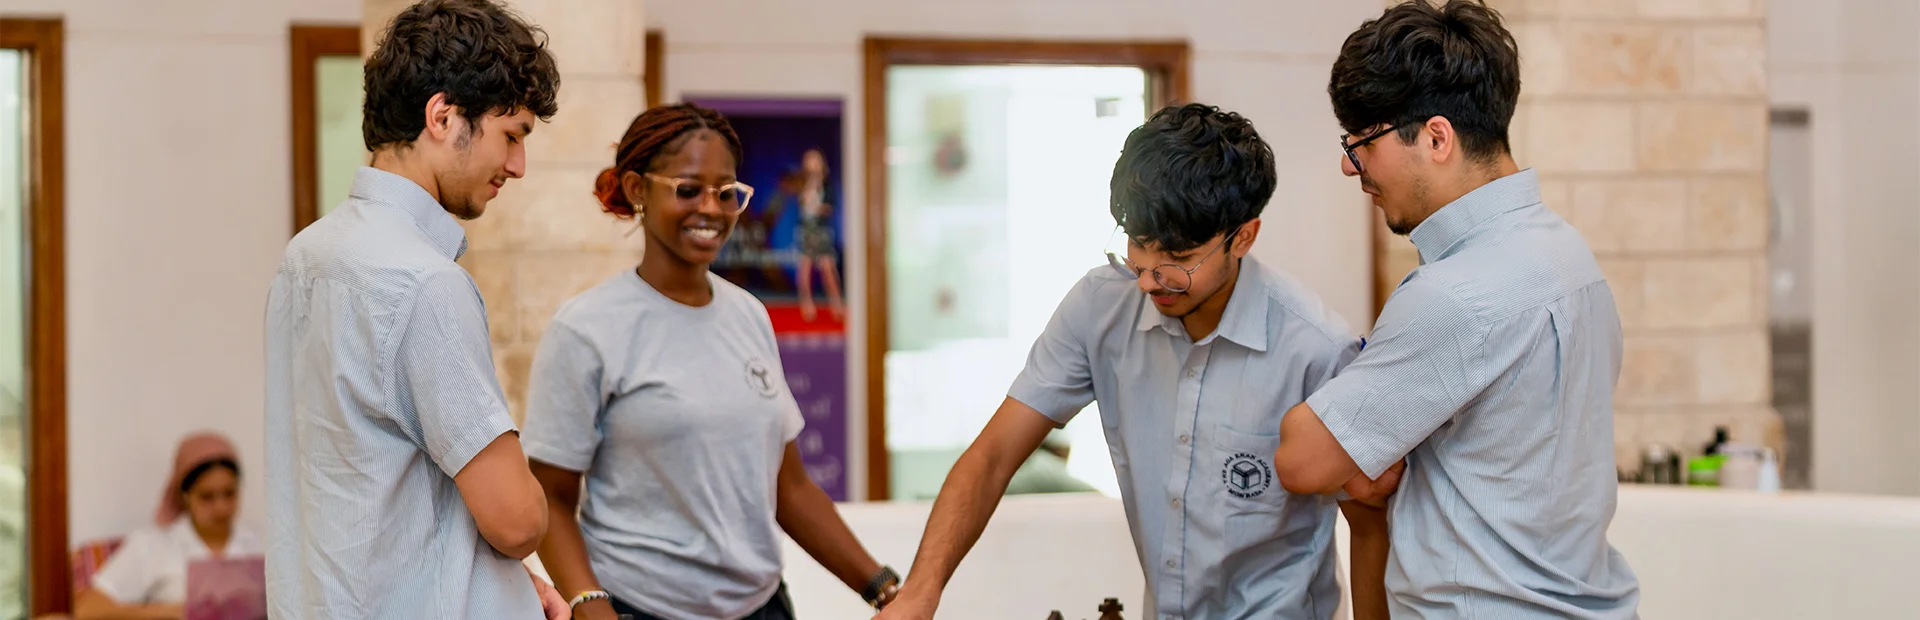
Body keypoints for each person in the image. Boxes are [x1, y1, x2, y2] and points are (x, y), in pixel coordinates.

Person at [877, 103, 1396, 620]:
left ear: (1243, 236)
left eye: (1177, 259)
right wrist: (921, 592)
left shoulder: (1316, 349)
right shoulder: (1102, 306)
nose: (1148, 278)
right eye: (1137, 246)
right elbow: (991, 459)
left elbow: (1369, 523)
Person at [1271, 1, 1641, 618]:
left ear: (1437, 138)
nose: (1349, 164)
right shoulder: (1570, 256)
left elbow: (1302, 459)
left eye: (1362, 141)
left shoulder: (1455, 294)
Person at [523, 103, 897, 620]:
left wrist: (884, 589)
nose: (713, 209)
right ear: (637, 190)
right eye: (688, 189)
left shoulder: (749, 315)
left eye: (727, 193)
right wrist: (589, 605)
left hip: (764, 608)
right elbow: (551, 496)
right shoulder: (587, 328)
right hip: (643, 609)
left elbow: (789, 488)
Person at [263, 1, 568, 618]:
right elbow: (516, 520)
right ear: (443, 115)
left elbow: (367, 487)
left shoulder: (304, 256)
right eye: (511, 136)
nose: (518, 166)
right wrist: (532, 512)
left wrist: (500, 583)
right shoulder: (424, 282)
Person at [75, 433, 260, 620]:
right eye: (207, 497)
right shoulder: (152, 545)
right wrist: (169, 612)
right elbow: (88, 608)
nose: (221, 508)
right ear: (186, 496)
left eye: (229, 494)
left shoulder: (260, 544)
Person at [790, 149, 844, 322]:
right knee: (804, 269)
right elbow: (801, 203)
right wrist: (810, 186)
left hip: (821, 230)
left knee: (828, 269)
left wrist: (820, 207)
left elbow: (830, 207)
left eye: (815, 160)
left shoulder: (827, 185)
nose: (812, 163)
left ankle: (837, 304)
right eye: (809, 160)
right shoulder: (802, 182)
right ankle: (807, 305)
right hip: (806, 230)